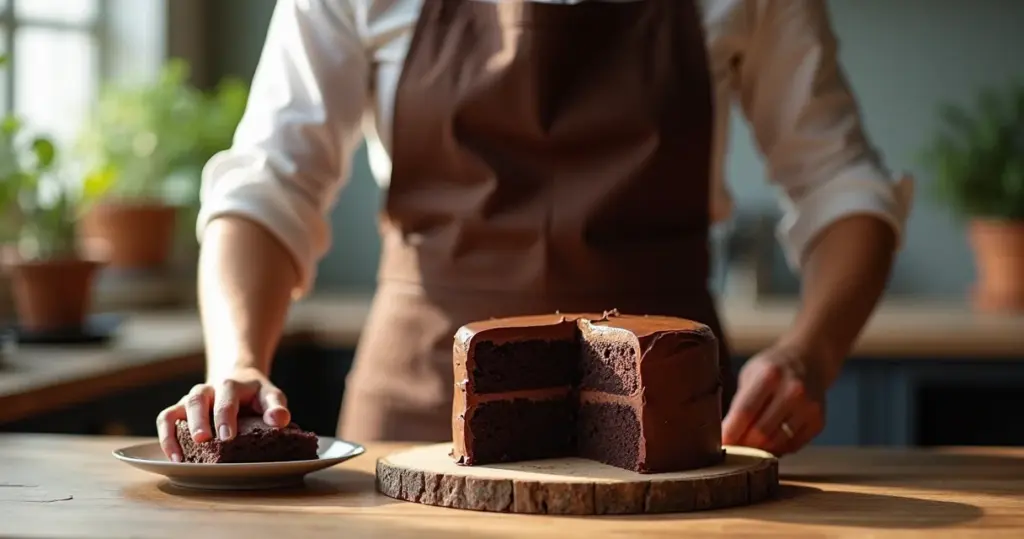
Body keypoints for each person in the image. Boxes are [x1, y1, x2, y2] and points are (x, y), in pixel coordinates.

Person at [157, 0, 912, 463]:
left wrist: (809, 352)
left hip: (668, 428)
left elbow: (840, 184)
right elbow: (270, 184)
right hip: (417, 417)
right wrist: (239, 362)